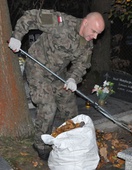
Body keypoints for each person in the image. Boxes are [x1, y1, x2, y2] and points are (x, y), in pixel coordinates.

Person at [8, 9, 105, 160]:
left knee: (70, 109)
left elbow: (81, 65)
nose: (95, 36)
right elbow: (30, 17)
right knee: (48, 107)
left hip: (58, 74)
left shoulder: (87, 44)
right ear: (85, 22)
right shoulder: (61, 22)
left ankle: (69, 141)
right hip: (37, 68)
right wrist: (17, 36)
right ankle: (41, 144)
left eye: (98, 33)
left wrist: (73, 79)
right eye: (94, 31)